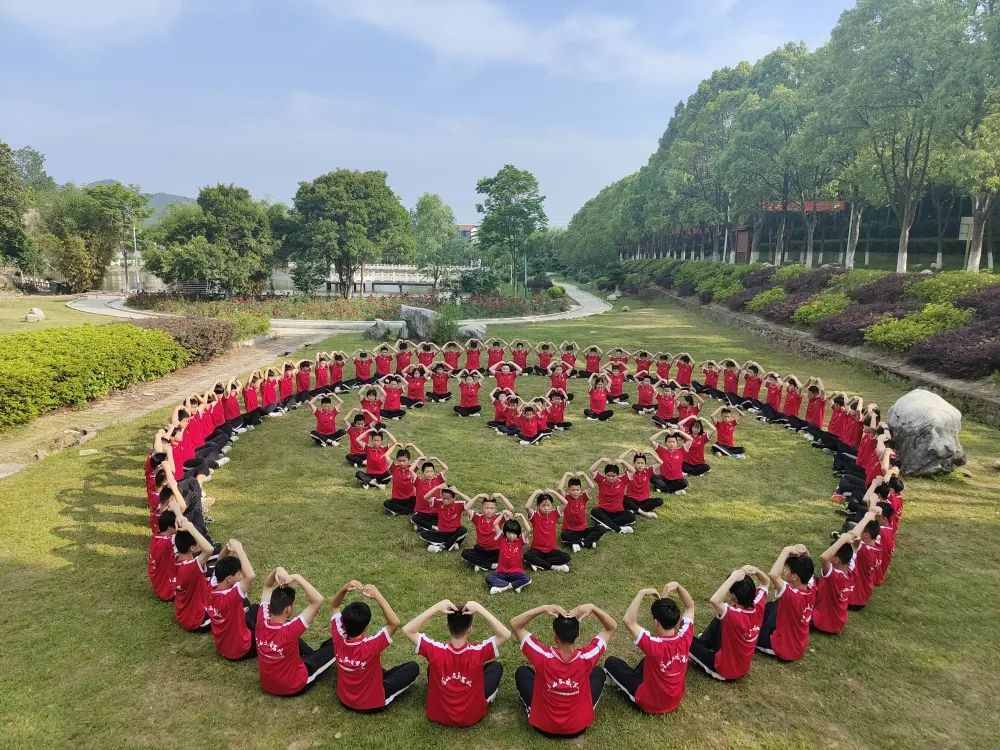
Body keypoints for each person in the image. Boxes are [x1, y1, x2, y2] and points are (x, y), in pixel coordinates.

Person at [512, 603, 615, 739]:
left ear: (555, 637)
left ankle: (535, 710)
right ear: (578, 634)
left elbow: (515, 624)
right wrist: (593, 607)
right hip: (577, 728)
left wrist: (543, 608)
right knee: (598, 672)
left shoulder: (542, 656)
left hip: (543, 727)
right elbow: (611, 627)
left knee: (523, 672)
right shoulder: (587, 657)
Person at [403, 599, 511, 727]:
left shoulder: (435, 651)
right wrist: (479, 608)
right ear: (470, 629)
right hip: (471, 716)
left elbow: (408, 630)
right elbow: (505, 634)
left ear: (447, 626)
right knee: (496, 667)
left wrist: (436, 607)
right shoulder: (478, 652)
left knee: (432, 668)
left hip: (440, 714)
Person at [605, 581, 695, 714]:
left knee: (611, 663)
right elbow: (690, 606)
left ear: (656, 622)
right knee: (648, 660)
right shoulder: (685, 638)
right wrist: (678, 586)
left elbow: (629, 621)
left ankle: (619, 684)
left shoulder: (654, 645)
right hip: (674, 700)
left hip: (649, 703)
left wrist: (641, 593)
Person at [329, 580, 418, 712]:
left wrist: (344, 588)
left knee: (376, 669)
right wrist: (377, 595)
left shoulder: (337, 635)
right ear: (366, 626)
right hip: (372, 704)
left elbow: (334, 606)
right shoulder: (370, 646)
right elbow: (394, 623)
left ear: (342, 621)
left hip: (345, 699)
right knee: (412, 668)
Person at [255, 568, 335, 696]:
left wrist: (277, 570)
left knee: (293, 639)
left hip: (266, 685)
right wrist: (297, 577)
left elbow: (267, 586)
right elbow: (318, 600)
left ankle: (309, 655)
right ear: (288, 609)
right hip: (293, 685)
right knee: (336, 645)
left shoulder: (261, 619)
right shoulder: (289, 630)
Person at [688, 565, 769, 681]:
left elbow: (715, 600)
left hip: (724, 670)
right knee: (720, 618)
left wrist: (733, 577)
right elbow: (766, 582)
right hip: (741, 666)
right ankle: (706, 644)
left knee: (686, 642)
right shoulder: (758, 605)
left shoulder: (735, 615)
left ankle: (705, 652)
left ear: (734, 596)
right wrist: (756, 571)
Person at [755, 545, 816, 662]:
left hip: (783, 649)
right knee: (774, 605)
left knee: (748, 635)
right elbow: (809, 569)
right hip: (798, 645)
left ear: (794, 576)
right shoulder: (811, 588)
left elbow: (773, 575)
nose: (784, 571)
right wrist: (805, 551)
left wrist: (786, 550)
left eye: (787, 569)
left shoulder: (792, 595)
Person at [207, 539, 257, 660]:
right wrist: (239, 548)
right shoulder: (230, 597)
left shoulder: (211, 586)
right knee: (270, 635)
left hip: (223, 647)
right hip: (241, 650)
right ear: (229, 578)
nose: (241, 577)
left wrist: (227, 548)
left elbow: (220, 561)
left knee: (254, 609)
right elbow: (250, 576)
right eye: (239, 574)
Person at [173, 517, 215, 632]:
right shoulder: (190, 567)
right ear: (191, 548)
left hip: (183, 614)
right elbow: (209, 549)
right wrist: (191, 528)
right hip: (197, 620)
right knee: (240, 604)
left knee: (214, 571)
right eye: (197, 543)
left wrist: (184, 523)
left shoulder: (177, 557)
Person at [811, 531, 857, 635]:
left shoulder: (834, 576)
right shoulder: (851, 570)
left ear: (836, 560)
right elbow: (855, 548)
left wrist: (843, 539)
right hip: (838, 623)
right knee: (815, 580)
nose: (827, 552)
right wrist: (850, 538)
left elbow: (823, 558)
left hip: (824, 624)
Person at [461, 493, 514, 571]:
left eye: (492, 508)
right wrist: (478, 496)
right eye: (486, 508)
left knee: (507, 555)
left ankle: (480, 564)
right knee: (465, 553)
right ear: (482, 508)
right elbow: (466, 507)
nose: (489, 510)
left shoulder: (499, 517)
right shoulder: (477, 518)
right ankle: (489, 565)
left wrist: (501, 495)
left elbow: (511, 508)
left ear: (496, 509)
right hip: (481, 550)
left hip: (495, 551)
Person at [523, 490, 572, 573]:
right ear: (538, 506)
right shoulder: (535, 516)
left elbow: (565, 503)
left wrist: (553, 492)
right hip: (536, 550)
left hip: (551, 550)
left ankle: (537, 563)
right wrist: (535, 493)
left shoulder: (554, 514)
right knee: (527, 555)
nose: (546, 508)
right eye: (543, 505)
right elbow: (527, 507)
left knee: (566, 557)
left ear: (552, 506)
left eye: (548, 505)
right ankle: (553, 567)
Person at [557, 473, 607, 552]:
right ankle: (588, 542)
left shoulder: (583, 497)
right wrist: (566, 474)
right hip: (570, 531)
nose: (575, 492)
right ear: (568, 490)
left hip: (583, 530)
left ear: (580, 490)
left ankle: (580, 543)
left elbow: (592, 486)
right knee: (564, 535)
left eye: (577, 490)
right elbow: (559, 489)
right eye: (573, 490)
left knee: (602, 528)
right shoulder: (566, 498)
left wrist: (583, 474)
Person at [484, 515, 533, 594]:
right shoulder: (501, 538)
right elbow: (495, 523)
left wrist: (522, 516)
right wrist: (503, 512)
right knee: (488, 578)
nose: (511, 536)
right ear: (505, 532)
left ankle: (504, 587)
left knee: (527, 579)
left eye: (514, 534)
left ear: (518, 533)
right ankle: (515, 585)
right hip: (501, 573)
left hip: (516, 573)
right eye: (509, 533)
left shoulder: (520, 540)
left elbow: (529, 529)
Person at [420, 485, 473, 552]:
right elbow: (426, 497)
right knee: (423, 534)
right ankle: (450, 544)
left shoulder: (459, 505)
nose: (445, 501)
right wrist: (436, 488)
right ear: (441, 496)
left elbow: (471, 501)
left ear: (454, 498)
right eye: (444, 498)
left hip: (454, 533)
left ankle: (442, 546)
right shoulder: (439, 503)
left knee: (463, 530)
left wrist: (457, 492)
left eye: (448, 499)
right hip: (441, 532)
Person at [589, 458, 636, 534]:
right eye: (608, 475)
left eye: (613, 476)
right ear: (605, 475)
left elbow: (633, 470)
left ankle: (605, 525)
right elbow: (591, 470)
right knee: (594, 512)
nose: (611, 478)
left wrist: (622, 461)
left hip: (618, 512)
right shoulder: (601, 480)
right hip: (603, 511)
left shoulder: (623, 480)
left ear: (617, 475)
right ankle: (619, 529)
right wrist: (601, 460)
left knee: (631, 515)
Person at [619, 450, 664, 519]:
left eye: (642, 463)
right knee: (623, 499)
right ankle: (643, 513)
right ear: (634, 463)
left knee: (659, 500)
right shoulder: (630, 471)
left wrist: (650, 452)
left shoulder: (648, 471)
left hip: (644, 500)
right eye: (638, 463)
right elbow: (620, 459)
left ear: (645, 464)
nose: (640, 465)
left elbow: (660, 462)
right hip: (631, 499)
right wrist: (631, 449)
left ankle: (634, 510)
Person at [383, 445, 423, 516]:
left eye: (404, 461)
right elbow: (386, 455)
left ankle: (399, 511)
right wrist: (395, 445)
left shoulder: (412, 469)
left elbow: (422, 457)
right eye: (399, 461)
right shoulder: (394, 468)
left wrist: (413, 446)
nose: (402, 463)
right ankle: (408, 511)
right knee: (386, 503)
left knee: (420, 500)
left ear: (408, 460)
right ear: (397, 460)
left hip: (410, 499)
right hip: (397, 499)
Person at [649, 429, 692, 495]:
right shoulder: (662, 451)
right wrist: (663, 431)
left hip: (676, 479)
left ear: (676, 443)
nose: (671, 444)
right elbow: (651, 439)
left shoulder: (681, 451)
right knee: (653, 477)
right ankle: (674, 491)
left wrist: (679, 431)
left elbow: (690, 439)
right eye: (669, 442)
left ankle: (663, 489)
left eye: (673, 442)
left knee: (684, 483)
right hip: (664, 478)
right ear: (665, 443)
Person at [148, 509, 179, 601]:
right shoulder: (169, 542)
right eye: (177, 523)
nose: (180, 525)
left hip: (159, 583)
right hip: (168, 589)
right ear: (169, 527)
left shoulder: (158, 533)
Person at [411, 458, 447, 531]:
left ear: (434, 472)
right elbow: (411, 470)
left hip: (435, 512)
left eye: (431, 471)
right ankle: (432, 527)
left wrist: (436, 459)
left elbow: (446, 468)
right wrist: (419, 459)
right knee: (414, 518)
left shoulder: (437, 480)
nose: (429, 474)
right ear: (423, 473)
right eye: (427, 472)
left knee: (445, 518)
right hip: (422, 512)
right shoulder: (419, 481)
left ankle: (423, 526)